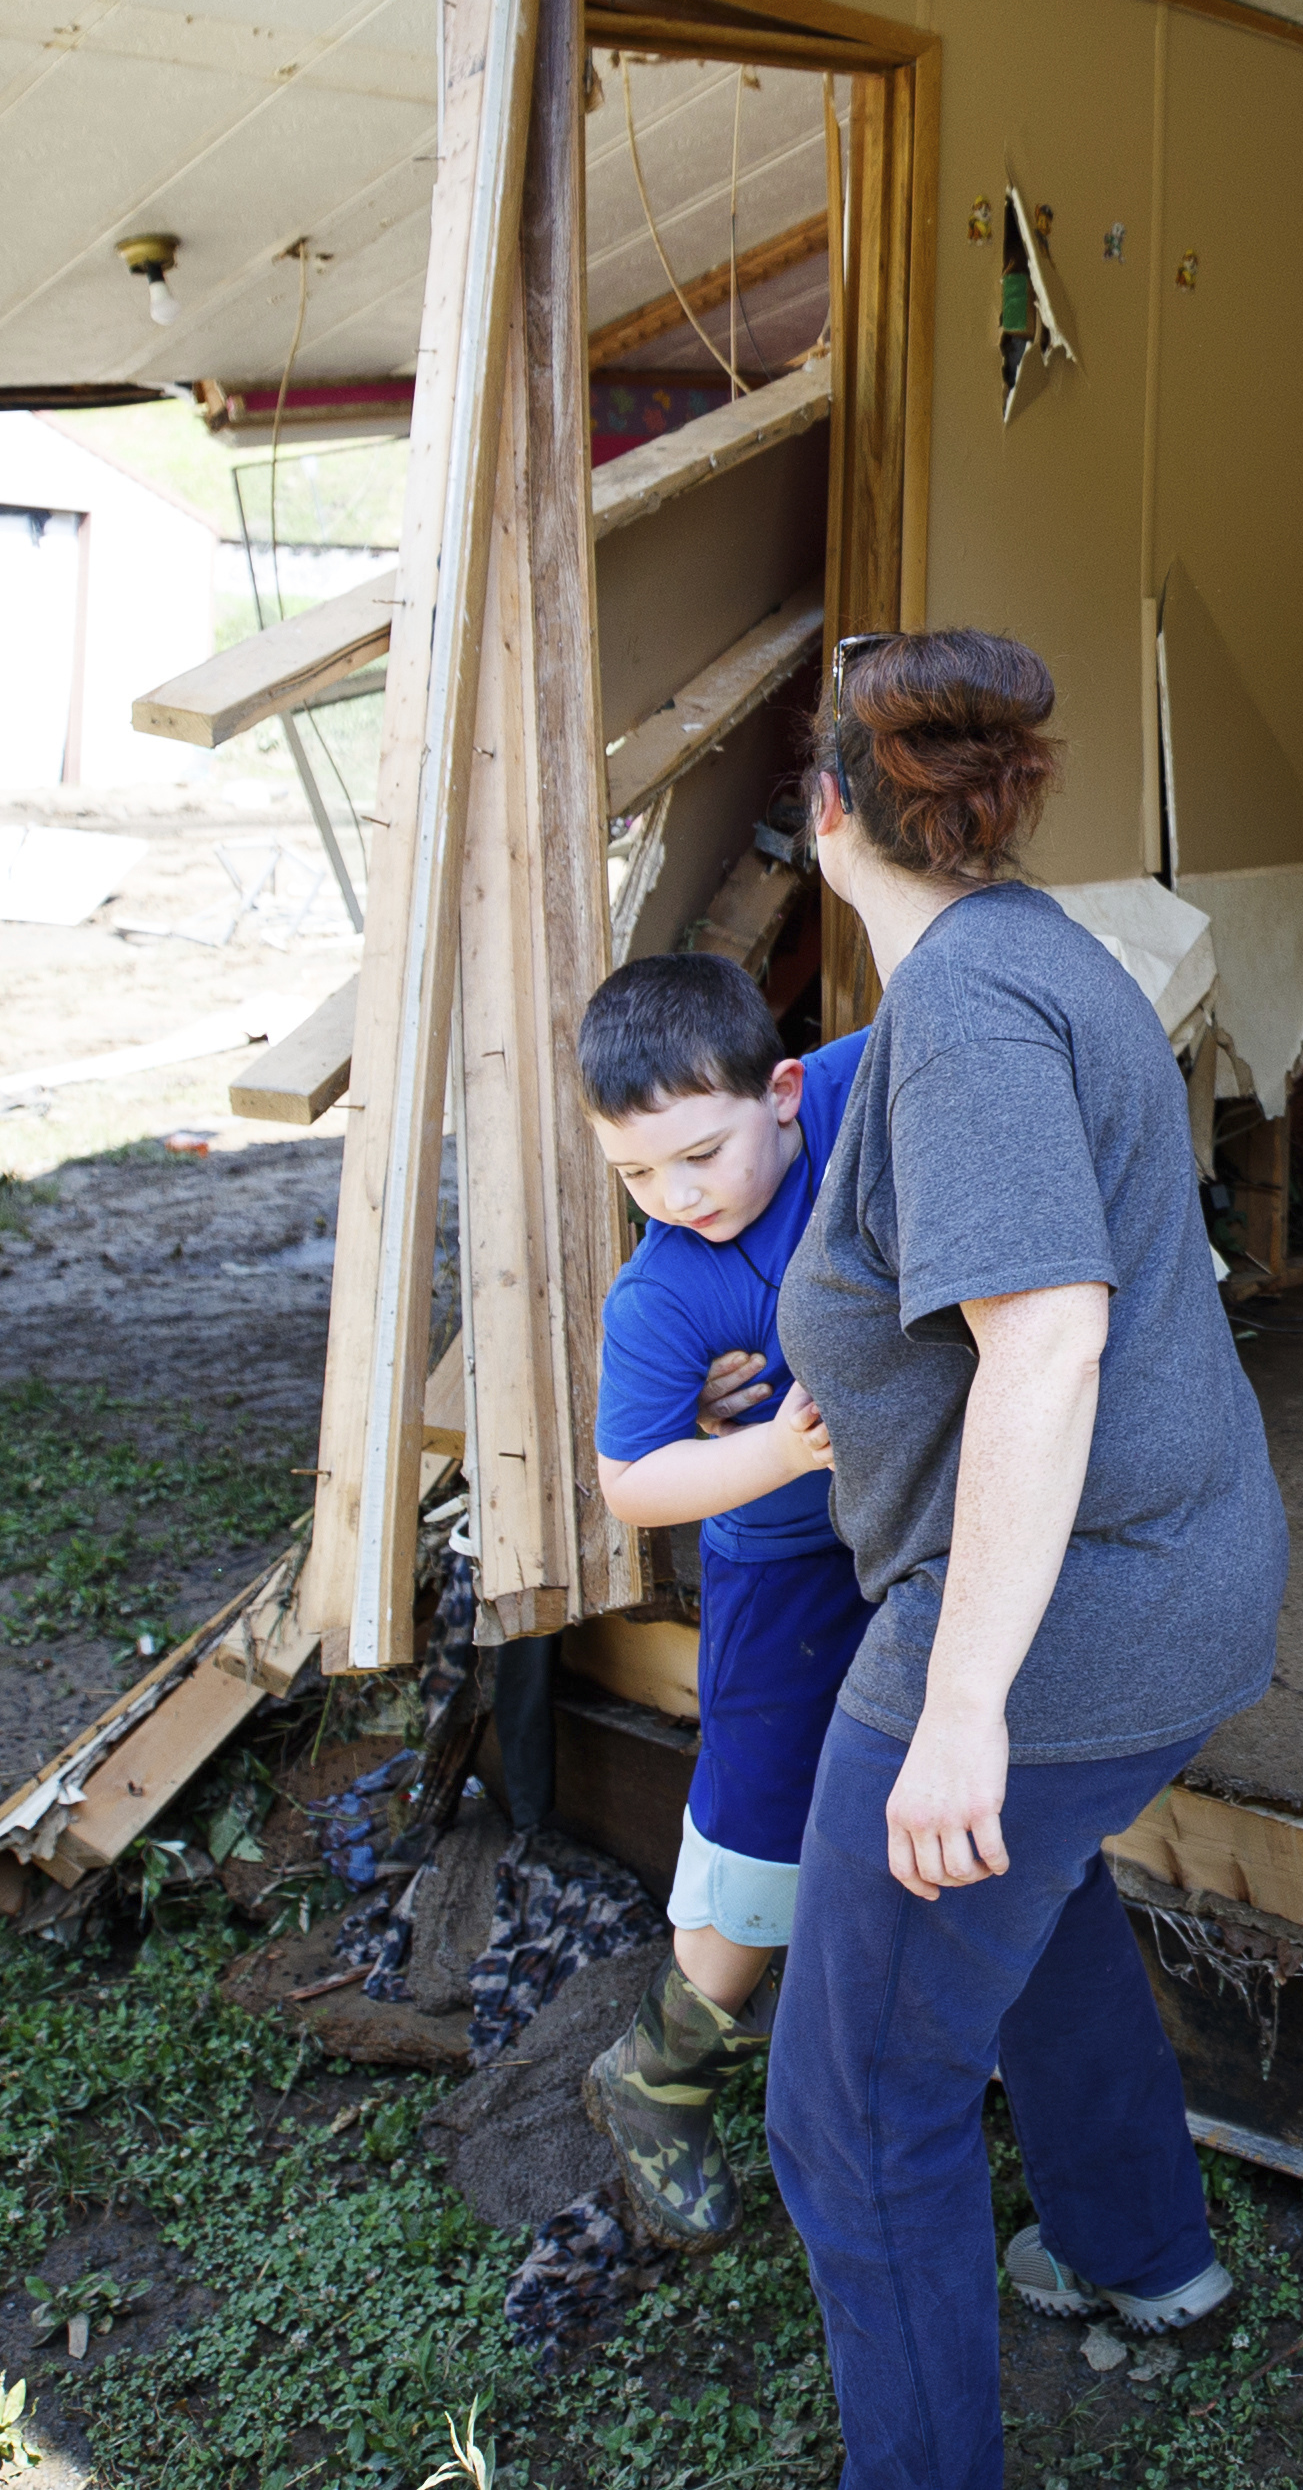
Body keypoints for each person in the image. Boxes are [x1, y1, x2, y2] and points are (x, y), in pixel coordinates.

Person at [766, 627, 1289, 2489]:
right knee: (1038, 1903)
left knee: (854, 2114)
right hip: (1185, 1580)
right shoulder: (1030, 955)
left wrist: (964, 1705)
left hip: (1057, 1628)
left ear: (833, 815)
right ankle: (1142, 2253)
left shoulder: (970, 1019)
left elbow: (1047, 1335)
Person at [570, 951, 873, 2243]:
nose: (675, 1196)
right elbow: (631, 1482)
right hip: (782, 1566)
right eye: (635, 1173)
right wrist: (777, 1453)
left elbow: (956, 1022)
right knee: (757, 1833)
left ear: (785, 1092)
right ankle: (658, 2071)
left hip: (912, 1541)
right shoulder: (664, 1291)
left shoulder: (855, 1094)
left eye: (698, 1155)